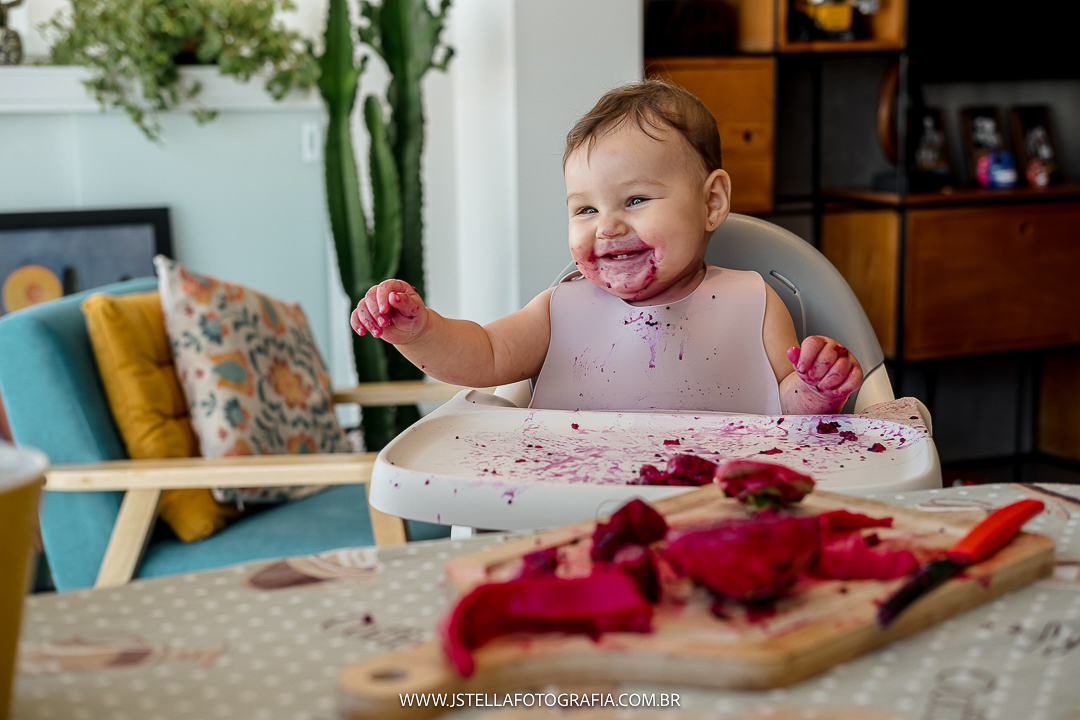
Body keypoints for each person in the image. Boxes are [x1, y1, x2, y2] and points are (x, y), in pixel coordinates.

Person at [351, 79, 862, 415]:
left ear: (712, 202)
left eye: (636, 199)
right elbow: (480, 356)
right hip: (579, 507)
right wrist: (417, 332)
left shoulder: (753, 302)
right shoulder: (560, 311)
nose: (607, 227)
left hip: (719, 506)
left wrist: (816, 389)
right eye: (585, 209)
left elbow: (787, 412)